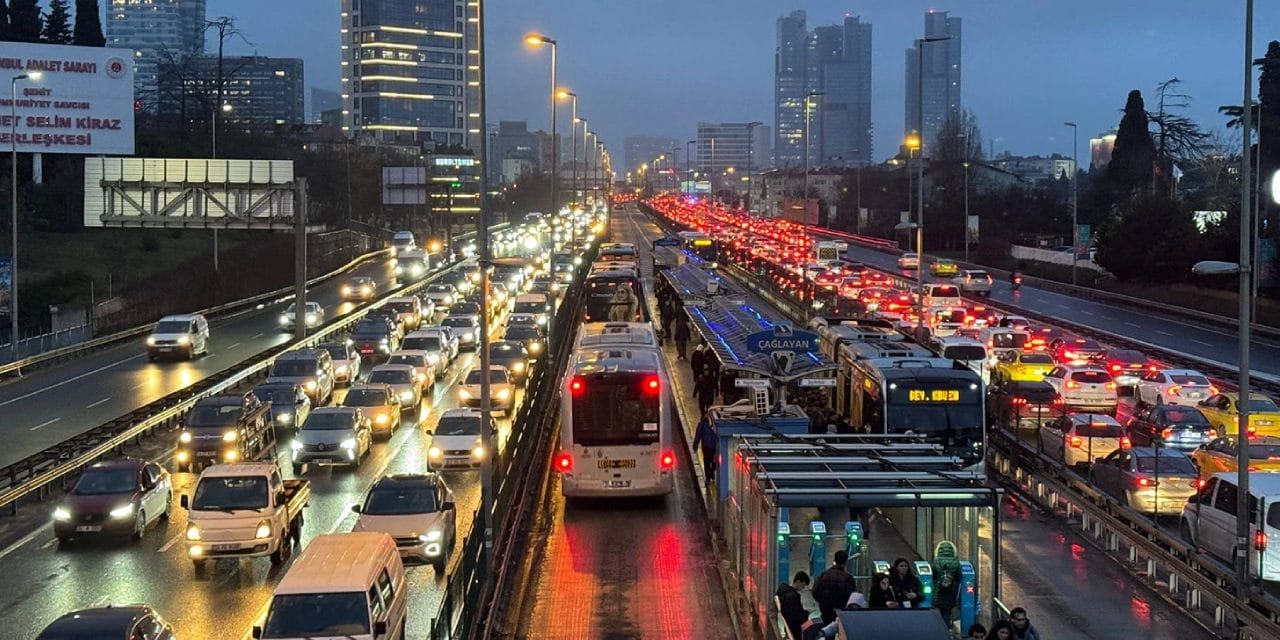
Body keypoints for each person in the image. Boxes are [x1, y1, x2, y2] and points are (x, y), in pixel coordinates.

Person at [811, 550, 856, 624]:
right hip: (841, 612)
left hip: (825, 610)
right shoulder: (848, 578)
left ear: (835, 560)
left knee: (828, 631)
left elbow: (815, 591)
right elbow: (851, 596)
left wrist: (823, 603)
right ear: (846, 562)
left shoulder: (824, 575)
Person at [931, 540, 963, 627]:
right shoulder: (956, 563)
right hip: (951, 594)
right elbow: (959, 578)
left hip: (938, 593)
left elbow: (932, 577)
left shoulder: (936, 562)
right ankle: (947, 630)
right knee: (947, 614)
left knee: (937, 615)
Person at [776, 571, 812, 640]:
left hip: (788, 626)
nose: (803, 588)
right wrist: (806, 614)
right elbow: (796, 616)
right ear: (798, 581)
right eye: (803, 585)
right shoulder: (792, 596)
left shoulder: (785, 592)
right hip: (795, 628)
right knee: (815, 625)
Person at [693, 413, 718, 481]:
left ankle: (711, 472)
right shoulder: (703, 424)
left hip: (714, 446)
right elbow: (698, 435)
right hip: (706, 446)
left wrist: (695, 444)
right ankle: (708, 477)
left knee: (714, 461)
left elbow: (698, 435)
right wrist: (695, 445)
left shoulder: (716, 424)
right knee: (707, 462)